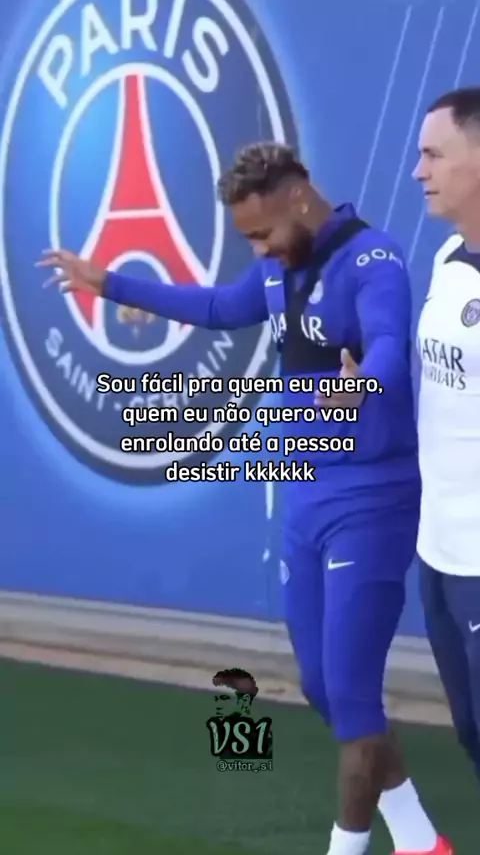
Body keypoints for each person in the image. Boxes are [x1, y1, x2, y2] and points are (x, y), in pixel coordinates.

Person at [37, 142, 451, 855]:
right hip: (304, 498)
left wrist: (362, 383)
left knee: (353, 700)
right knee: (323, 688)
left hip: (371, 501)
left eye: (261, 233)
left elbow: (387, 342)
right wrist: (107, 284)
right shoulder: (277, 270)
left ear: (298, 198)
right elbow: (214, 306)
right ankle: (419, 839)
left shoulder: (372, 261)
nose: (257, 250)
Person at [413, 86, 480, 786]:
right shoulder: (448, 257)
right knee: (470, 733)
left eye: (434, 154)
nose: (418, 170)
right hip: (438, 550)